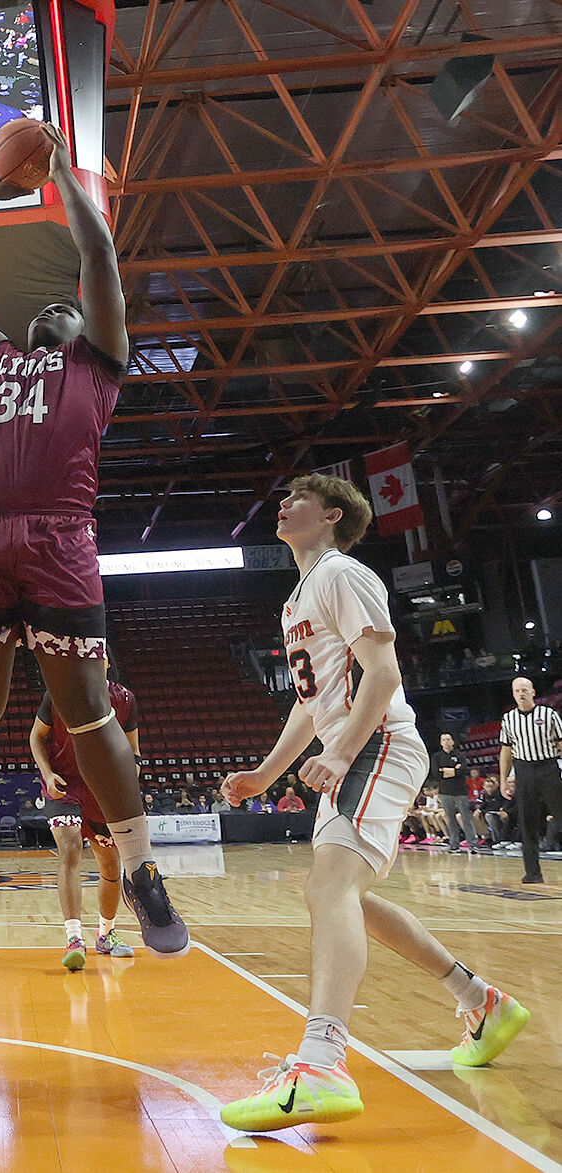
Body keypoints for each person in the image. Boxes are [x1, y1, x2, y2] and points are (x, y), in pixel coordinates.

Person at [0, 123, 188, 958]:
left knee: (89, 714)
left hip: (60, 536)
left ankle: (139, 869)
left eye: (68, 307)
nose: (55, 308)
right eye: (45, 307)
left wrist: (65, 182)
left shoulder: (100, 362)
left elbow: (97, 267)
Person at [217, 473, 529, 1133]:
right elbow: (311, 707)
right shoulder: (300, 594)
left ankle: (324, 1060)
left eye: (299, 495)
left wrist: (341, 749)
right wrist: (266, 773)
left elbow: (384, 674)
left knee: (329, 886)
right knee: (343, 895)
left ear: (332, 515)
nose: (283, 501)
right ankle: (481, 1001)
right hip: (354, 748)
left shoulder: (342, 572)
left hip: (379, 742)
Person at [29, 669, 141, 968]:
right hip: (64, 785)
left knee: (110, 863)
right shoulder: (58, 691)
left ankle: (106, 933)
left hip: (102, 791)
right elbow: (37, 737)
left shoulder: (125, 698)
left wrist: (127, 780)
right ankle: (73, 938)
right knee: (69, 848)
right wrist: (47, 772)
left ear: (105, 661)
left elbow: (133, 752)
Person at [498, 676, 562, 884]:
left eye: (525, 689)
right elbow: (506, 751)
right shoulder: (508, 719)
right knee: (527, 822)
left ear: (533, 692)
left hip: (548, 767)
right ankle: (533, 872)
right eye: (517, 690)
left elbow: (560, 743)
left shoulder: (549, 714)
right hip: (524, 770)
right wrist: (504, 779)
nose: (521, 693)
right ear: (513, 694)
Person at [431, 732, 474, 853]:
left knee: (466, 818)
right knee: (450, 819)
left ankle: (472, 844)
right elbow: (436, 773)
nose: (446, 741)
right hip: (445, 791)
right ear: (440, 742)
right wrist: (454, 770)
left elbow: (463, 770)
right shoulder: (436, 757)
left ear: (453, 741)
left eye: (448, 739)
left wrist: (446, 770)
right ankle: (454, 845)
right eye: (443, 739)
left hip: (460, 791)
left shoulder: (460, 755)